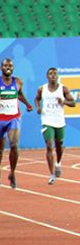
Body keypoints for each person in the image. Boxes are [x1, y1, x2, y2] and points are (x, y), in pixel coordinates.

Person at [34, 67, 76, 185]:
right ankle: (51, 173)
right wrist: (38, 107)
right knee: (49, 145)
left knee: (59, 145)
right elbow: (36, 99)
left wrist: (64, 102)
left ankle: (58, 163)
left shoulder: (63, 89)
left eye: (55, 74)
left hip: (59, 121)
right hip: (47, 120)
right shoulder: (42, 89)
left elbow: (73, 103)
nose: (53, 75)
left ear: (57, 76)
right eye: (50, 74)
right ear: (47, 76)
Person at [0, 58, 33, 189]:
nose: (8, 67)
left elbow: (19, 94)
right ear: (1, 68)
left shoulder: (18, 82)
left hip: (13, 118)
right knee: (0, 149)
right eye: (6, 65)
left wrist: (28, 104)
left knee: (14, 145)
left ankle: (12, 173)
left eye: (11, 66)